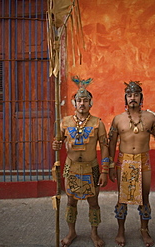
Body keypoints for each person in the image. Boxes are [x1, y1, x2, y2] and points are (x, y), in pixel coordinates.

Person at [108, 80, 155, 247]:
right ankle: (121, 230)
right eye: (129, 95)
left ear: (141, 98)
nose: (133, 98)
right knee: (122, 199)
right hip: (124, 162)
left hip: (143, 161)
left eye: (136, 95)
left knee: (144, 198)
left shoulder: (150, 118)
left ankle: (144, 230)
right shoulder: (118, 119)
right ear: (125, 98)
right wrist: (108, 166)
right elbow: (111, 144)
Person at [52, 77, 109, 247]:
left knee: (94, 202)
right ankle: (71, 232)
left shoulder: (98, 123)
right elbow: (58, 141)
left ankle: (94, 233)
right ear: (74, 103)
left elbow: (105, 147)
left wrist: (105, 170)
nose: (82, 103)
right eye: (79, 100)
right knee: (71, 202)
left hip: (91, 169)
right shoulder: (65, 123)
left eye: (85, 100)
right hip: (72, 168)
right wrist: (56, 144)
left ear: (90, 103)